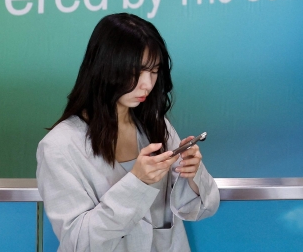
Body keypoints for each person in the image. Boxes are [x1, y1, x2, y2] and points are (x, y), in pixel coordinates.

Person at [37, 14, 219, 252]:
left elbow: (200, 208)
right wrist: (138, 183)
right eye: (137, 72)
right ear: (105, 68)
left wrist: (193, 175)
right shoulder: (59, 146)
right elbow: (79, 244)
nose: (147, 84)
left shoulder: (155, 124)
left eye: (154, 71)